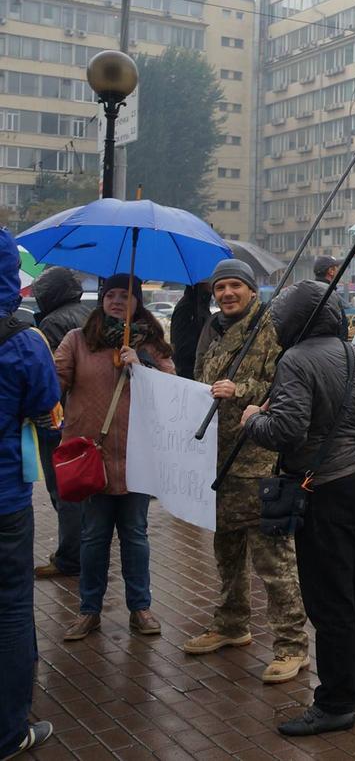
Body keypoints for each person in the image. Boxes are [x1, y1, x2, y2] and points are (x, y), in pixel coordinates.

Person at [241, 281, 355, 736]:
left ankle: (335, 702)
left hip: (327, 488)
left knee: (329, 598)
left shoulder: (297, 359)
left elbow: (286, 430)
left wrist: (251, 419)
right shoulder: (353, 352)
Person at [182, 259, 310, 682]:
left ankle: (292, 646)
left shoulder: (272, 330)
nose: (227, 294)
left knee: (274, 562)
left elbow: (286, 389)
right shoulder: (214, 333)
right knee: (227, 555)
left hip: (259, 464)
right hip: (218, 465)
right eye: (221, 288)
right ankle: (232, 625)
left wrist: (244, 390)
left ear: (253, 291)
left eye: (236, 286)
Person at [54, 273, 175, 641]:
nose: (118, 301)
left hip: (138, 459)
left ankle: (140, 607)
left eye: (126, 295)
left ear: (138, 303)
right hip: (92, 458)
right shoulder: (77, 341)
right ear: (101, 299)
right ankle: (89, 610)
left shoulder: (152, 345)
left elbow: (172, 386)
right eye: (111, 295)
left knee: (135, 535)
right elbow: (54, 381)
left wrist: (143, 365)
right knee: (93, 537)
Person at [0, 229, 62, 758]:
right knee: (12, 610)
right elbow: (47, 409)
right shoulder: (23, 341)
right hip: (5, 500)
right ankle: (8, 730)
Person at [30, 266, 92, 579]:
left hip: (59, 417)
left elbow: (50, 375)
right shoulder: (88, 313)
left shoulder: (53, 322)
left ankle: (70, 557)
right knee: (85, 487)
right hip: (88, 414)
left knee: (65, 489)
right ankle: (86, 546)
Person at [170, 281, 212, 378]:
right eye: (209, 279)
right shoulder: (186, 307)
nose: (212, 282)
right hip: (189, 374)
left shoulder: (202, 305)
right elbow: (182, 348)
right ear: (200, 283)